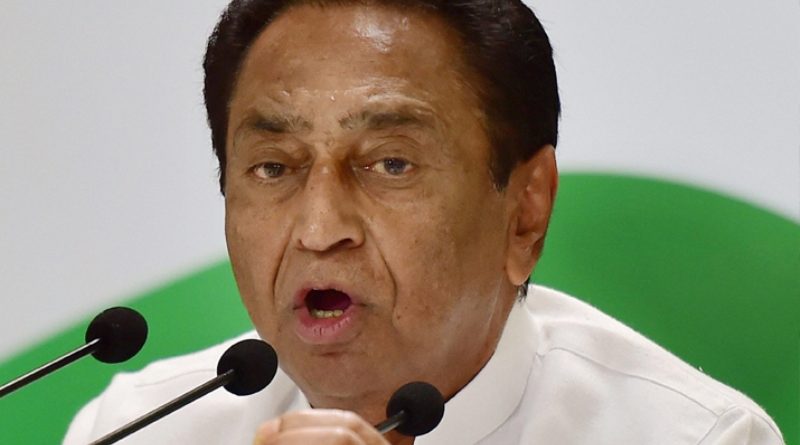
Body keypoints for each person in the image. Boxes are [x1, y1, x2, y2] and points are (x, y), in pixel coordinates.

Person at [64, 1, 785, 444]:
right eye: (274, 167)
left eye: (390, 163)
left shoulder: (697, 437)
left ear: (526, 213)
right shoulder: (140, 428)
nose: (319, 227)